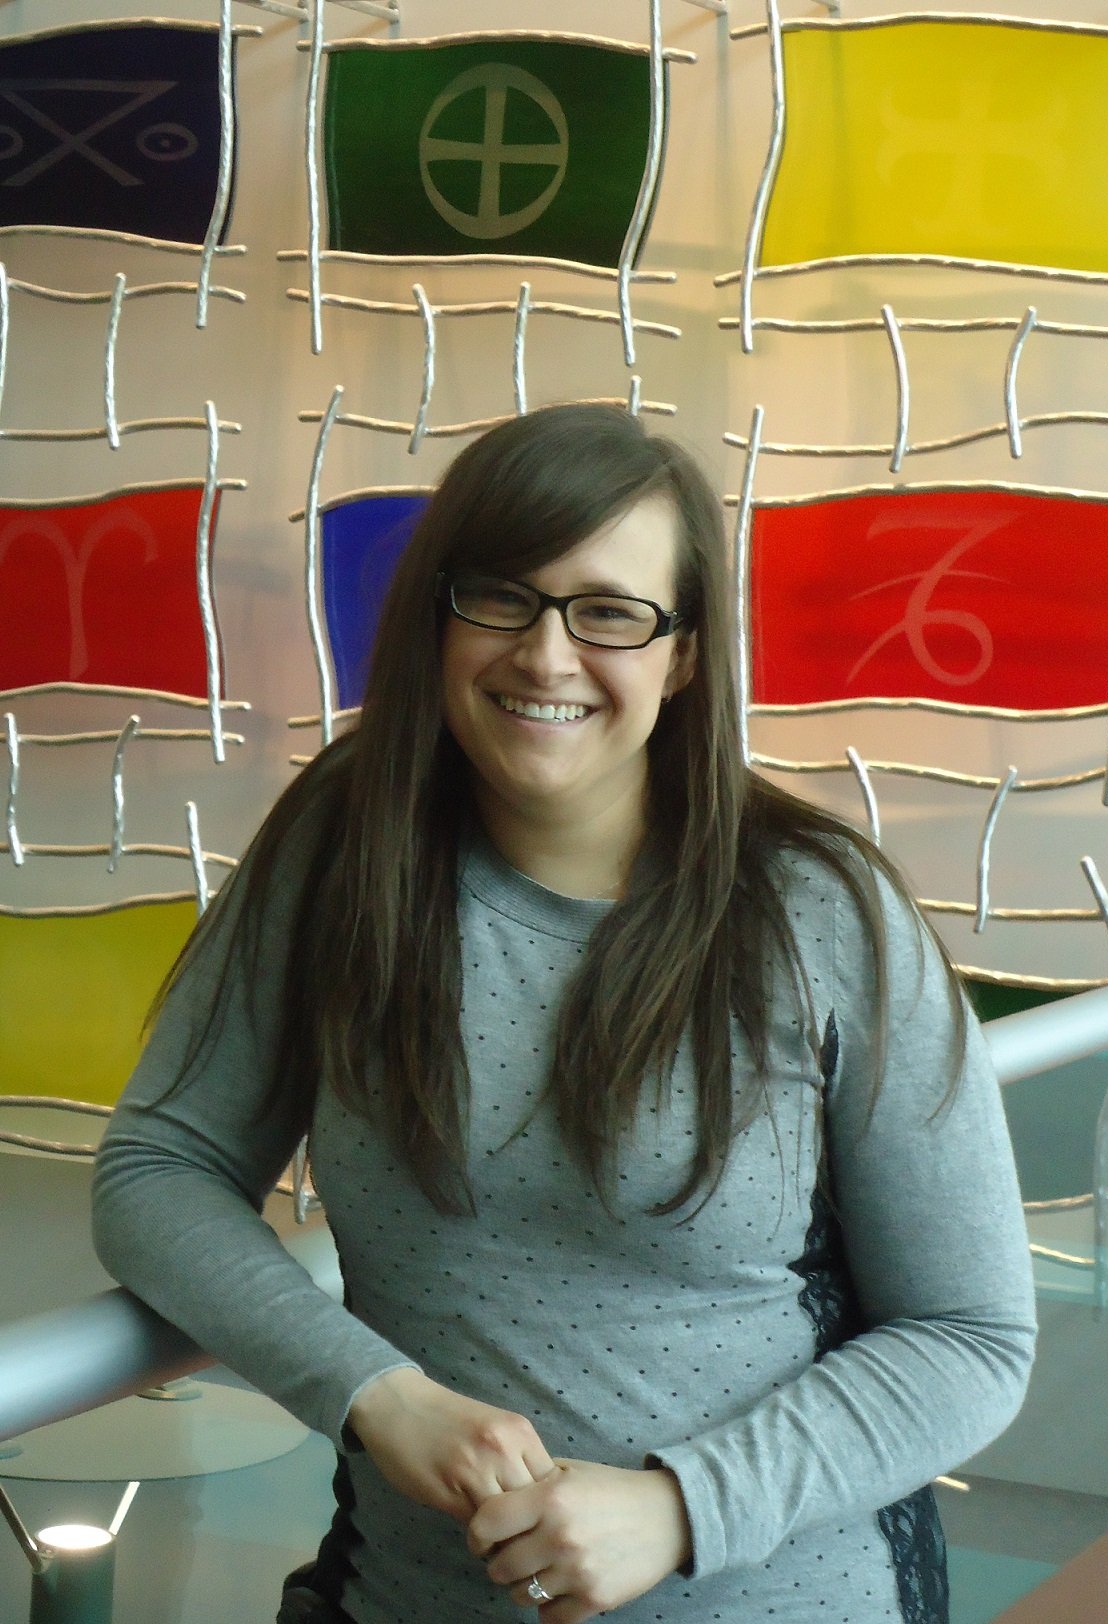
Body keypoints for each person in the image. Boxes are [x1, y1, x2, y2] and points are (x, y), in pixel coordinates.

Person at [92, 403, 1036, 1624]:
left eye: (609, 613)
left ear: (682, 656)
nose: (546, 656)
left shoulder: (819, 908)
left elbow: (969, 1336)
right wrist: (373, 1391)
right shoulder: (346, 843)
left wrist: (682, 1505)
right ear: (439, 616)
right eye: (502, 597)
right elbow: (159, 1170)